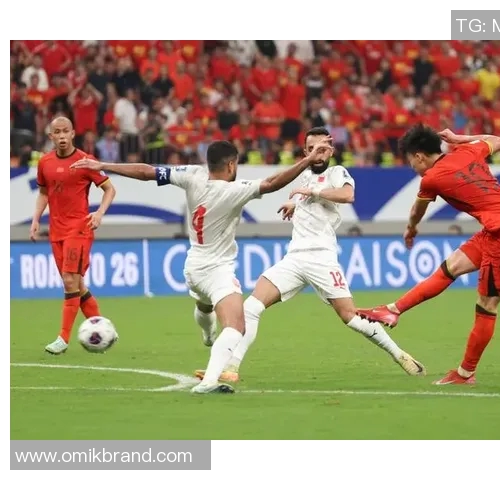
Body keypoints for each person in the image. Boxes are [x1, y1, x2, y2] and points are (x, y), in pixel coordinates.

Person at [71, 139, 330, 394]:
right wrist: (307, 160)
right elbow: (273, 183)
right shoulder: (234, 190)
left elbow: (147, 171)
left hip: (193, 266)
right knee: (236, 327)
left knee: (205, 306)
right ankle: (208, 382)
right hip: (216, 271)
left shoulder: (191, 174)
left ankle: (207, 335)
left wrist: (104, 165)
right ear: (231, 165)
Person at [194, 127, 426, 384]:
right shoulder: (304, 176)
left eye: (323, 148)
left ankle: (399, 354)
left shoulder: (337, 173)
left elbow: (347, 195)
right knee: (251, 307)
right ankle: (231, 367)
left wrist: (312, 193)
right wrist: (295, 204)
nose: (318, 153)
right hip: (294, 258)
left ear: (331, 150)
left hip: (322, 258)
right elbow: (310, 199)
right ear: (305, 152)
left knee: (350, 316)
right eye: (312, 149)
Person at [357, 125, 500, 386]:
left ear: (419, 156)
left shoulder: (432, 178)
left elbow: (417, 210)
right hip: (496, 230)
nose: (412, 167)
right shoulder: (468, 151)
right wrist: (462, 139)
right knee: (451, 267)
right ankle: (393, 310)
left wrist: (411, 229)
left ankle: (465, 374)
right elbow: (499, 140)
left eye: (411, 161)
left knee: (487, 305)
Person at [30, 116, 117, 355]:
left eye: (65, 131)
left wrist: (99, 213)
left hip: (79, 228)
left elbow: (110, 189)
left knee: (70, 281)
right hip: (56, 230)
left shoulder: (86, 161)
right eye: (56, 132)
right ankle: (104, 330)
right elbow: (44, 193)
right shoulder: (45, 162)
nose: (61, 136)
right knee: (76, 284)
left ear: (72, 133)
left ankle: (63, 338)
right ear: (51, 136)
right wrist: (36, 219)